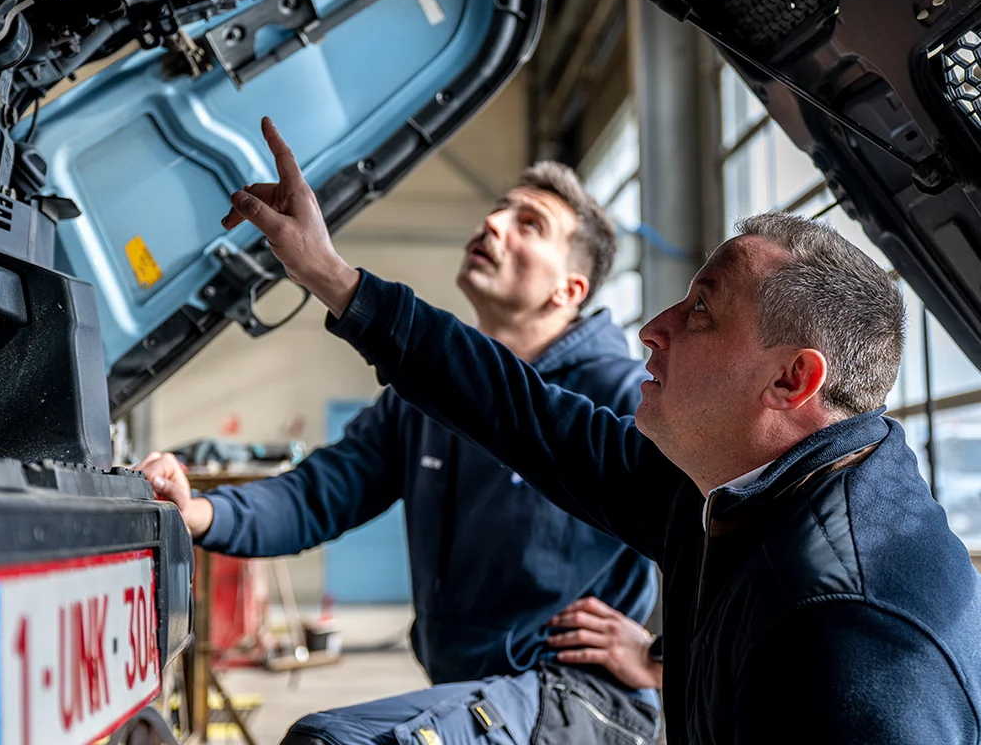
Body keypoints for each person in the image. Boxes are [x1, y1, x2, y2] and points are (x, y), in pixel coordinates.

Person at [225, 116, 981, 744]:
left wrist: (649, 661)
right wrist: (333, 277)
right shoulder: (719, 487)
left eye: (701, 312)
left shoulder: (851, 631)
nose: (653, 329)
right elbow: (519, 413)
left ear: (792, 381)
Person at [140, 143, 664, 743]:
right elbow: (325, 491)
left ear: (568, 291)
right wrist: (200, 513)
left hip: (579, 700)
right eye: (499, 210)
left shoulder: (621, 394)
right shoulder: (427, 401)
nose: (492, 224)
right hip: (470, 688)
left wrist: (658, 655)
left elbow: (724, 516)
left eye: (529, 225)